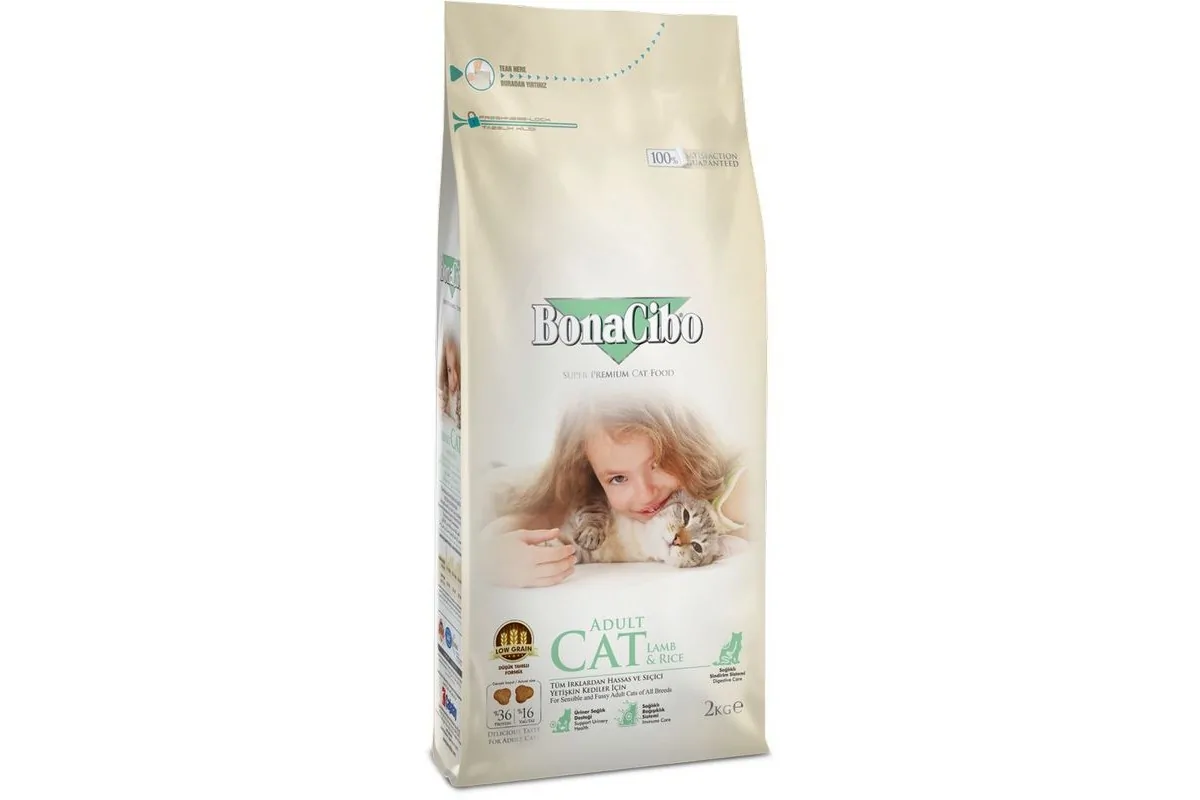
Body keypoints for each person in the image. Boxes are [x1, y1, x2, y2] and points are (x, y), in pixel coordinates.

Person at [481, 397, 747, 587]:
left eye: (659, 463)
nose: (645, 494)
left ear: (690, 447)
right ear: (592, 477)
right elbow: (515, 527)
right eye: (618, 478)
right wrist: (491, 561)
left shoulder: (723, 491)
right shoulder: (572, 490)